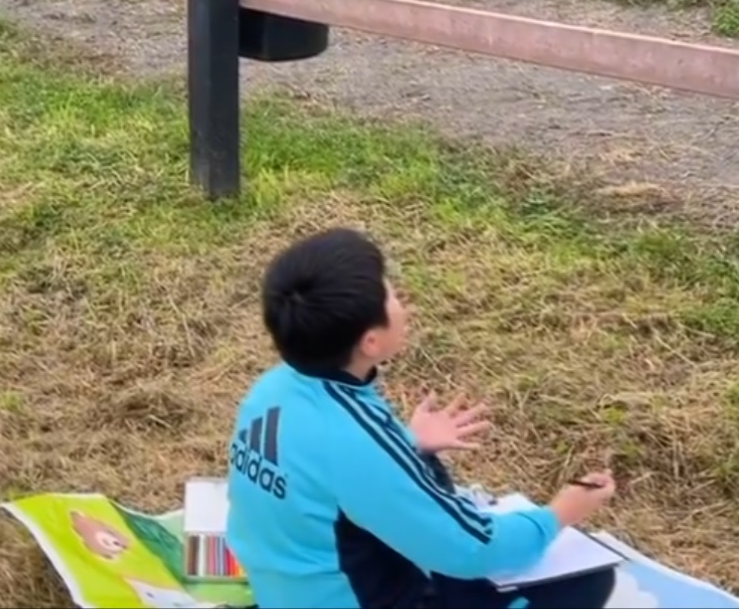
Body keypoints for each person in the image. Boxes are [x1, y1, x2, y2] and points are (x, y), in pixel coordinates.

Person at [225, 228, 619, 609]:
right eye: (392, 296)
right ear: (370, 341)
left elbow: (325, 474)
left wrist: (408, 445)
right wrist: (560, 512)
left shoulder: (272, 389)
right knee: (588, 581)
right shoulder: (357, 443)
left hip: (287, 590)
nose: (404, 304)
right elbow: (474, 548)